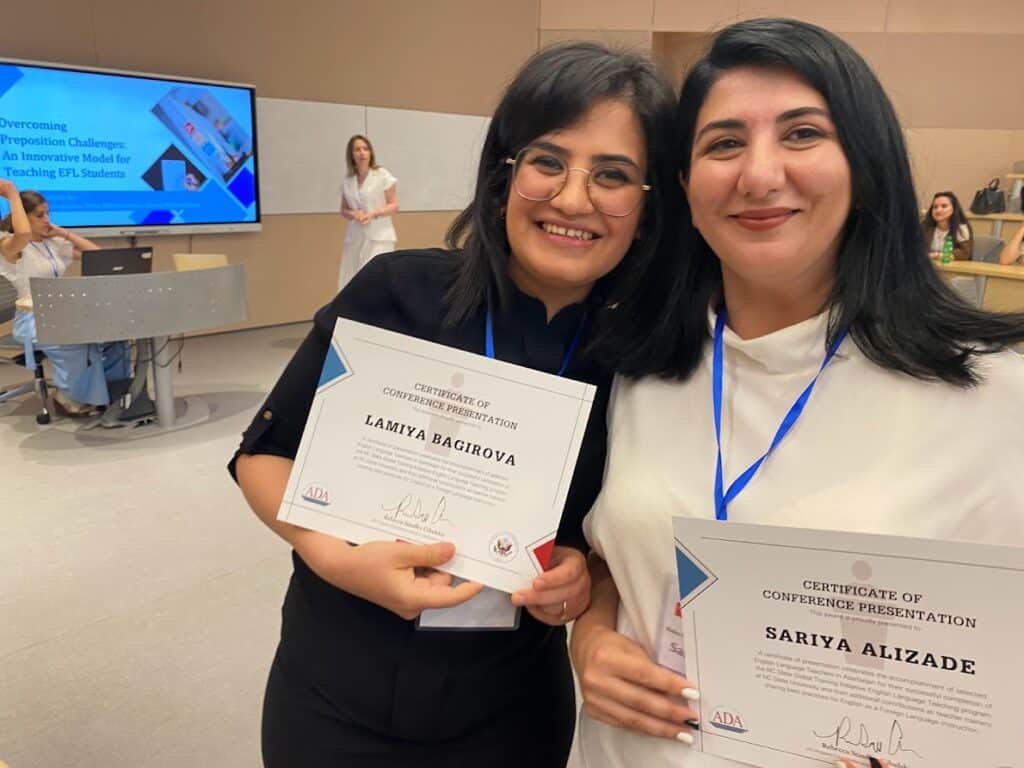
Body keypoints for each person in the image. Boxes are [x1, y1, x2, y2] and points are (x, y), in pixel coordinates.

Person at [569, 18, 1024, 768]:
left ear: (865, 162)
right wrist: (590, 636)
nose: (758, 174)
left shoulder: (990, 390)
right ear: (684, 186)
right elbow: (613, 551)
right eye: (722, 144)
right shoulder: (636, 364)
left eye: (802, 134)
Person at [229, 42, 680, 768]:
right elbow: (264, 456)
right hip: (332, 680)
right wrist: (335, 558)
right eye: (548, 161)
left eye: (614, 175)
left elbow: (613, 540)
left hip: (507, 709)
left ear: (649, 207)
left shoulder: (643, 361)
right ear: (505, 174)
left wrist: (577, 580)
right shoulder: (395, 293)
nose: (572, 198)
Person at [0, 184, 130, 416]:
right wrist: (11, 194)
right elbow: (22, 234)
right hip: (32, 319)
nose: (46, 220)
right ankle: (71, 396)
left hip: (62, 314)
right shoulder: (10, 246)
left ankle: (113, 392)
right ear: (22, 217)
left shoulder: (52, 245)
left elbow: (98, 256)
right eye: (39, 215)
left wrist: (63, 233)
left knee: (113, 337)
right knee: (76, 340)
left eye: (48, 213)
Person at [337, 134, 400, 289]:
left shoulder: (382, 175)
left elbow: (394, 205)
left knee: (374, 279)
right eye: (357, 149)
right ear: (351, 154)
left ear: (370, 152)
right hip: (355, 236)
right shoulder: (348, 181)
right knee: (352, 279)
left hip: (379, 235)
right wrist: (354, 214)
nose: (362, 153)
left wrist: (373, 214)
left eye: (365, 149)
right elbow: (343, 209)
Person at [922, 190, 972, 260]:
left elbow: (965, 253)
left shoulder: (961, 228)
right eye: (935, 207)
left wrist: (939, 255)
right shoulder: (925, 226)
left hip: (953, 268)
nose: (938, 210)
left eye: (944, 206)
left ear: (954, 209)